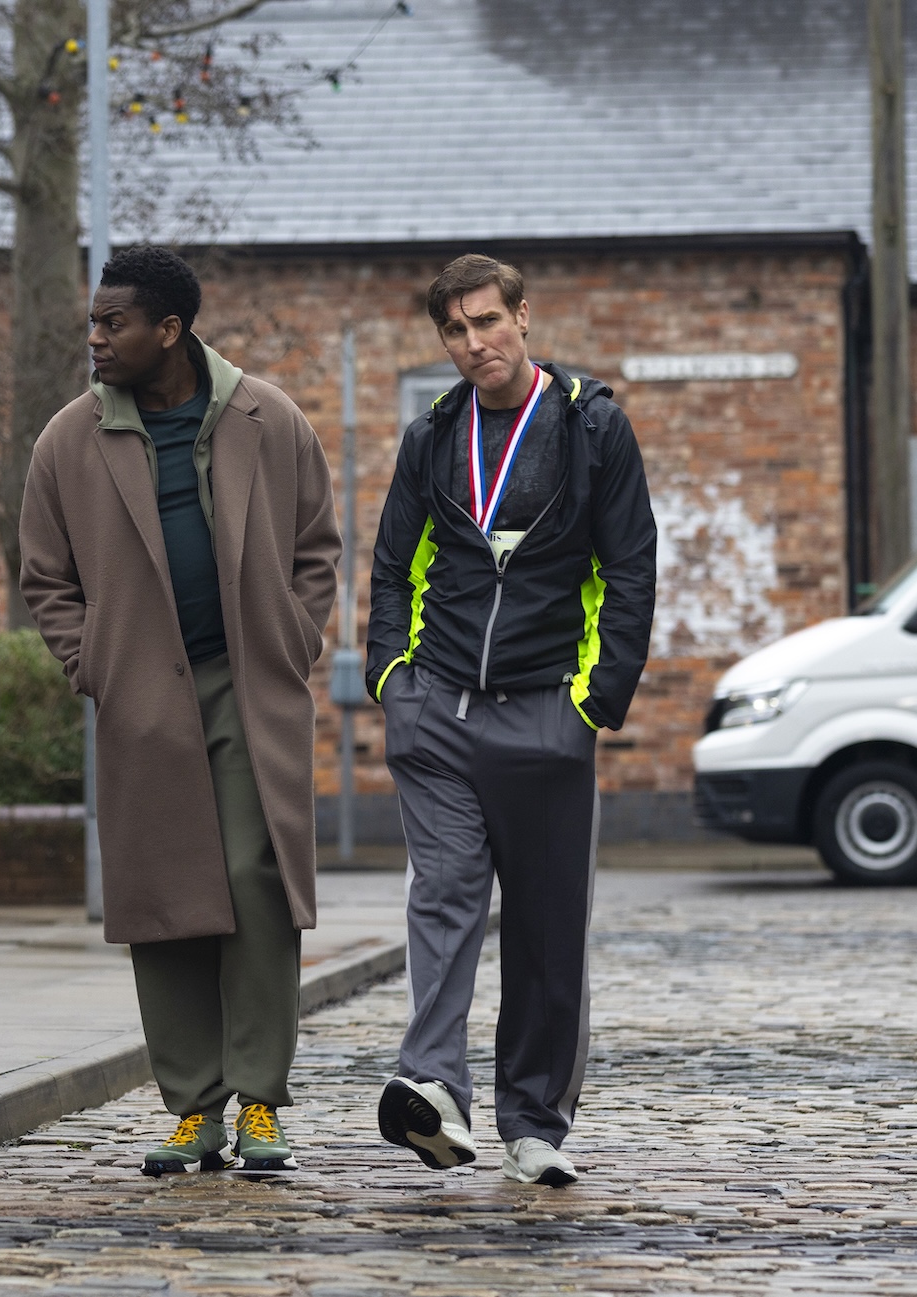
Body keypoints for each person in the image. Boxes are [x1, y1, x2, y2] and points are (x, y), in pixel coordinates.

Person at [19, 246, 340, 1175]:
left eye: (112, 322)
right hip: (142, 703)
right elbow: (47, 576)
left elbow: (316, 544)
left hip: (251, 690)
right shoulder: (67, 440)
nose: (95, 338)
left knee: (256, 887)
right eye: (92, 320)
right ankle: (193, 1106)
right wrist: (95, 665)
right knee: (165, 902)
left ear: (169, 330)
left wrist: (292, 639)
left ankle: (261, 1102)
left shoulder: (265, 416)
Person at [366, 254, 657, 1187]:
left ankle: (534, 1123)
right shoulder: (433, 437)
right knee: (445, 893)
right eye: (454, 331)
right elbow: (392, 567)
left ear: (524, 317)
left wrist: (592, 704)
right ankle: (432, 1083)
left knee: (544, 925)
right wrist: (392, 681)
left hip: (545, 714)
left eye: (488, 321)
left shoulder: (591, 429)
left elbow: (629, 573)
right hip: (440, 709)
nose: (473, 343)